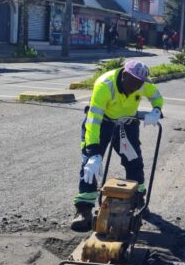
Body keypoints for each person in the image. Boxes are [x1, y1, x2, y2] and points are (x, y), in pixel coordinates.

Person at [70, 60, 164, 231]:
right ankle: (83, 210)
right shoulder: (105, 85)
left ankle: (137, 201)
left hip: (126, 125)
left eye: (140, 84)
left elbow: (157, 97)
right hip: (103, 124)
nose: (136, 88)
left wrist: (156, 110)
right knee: (90, 166)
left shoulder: (142, 83)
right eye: (133, 83)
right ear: (125, 76)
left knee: (134, 162)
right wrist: (93, 152)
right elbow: (93, 120)